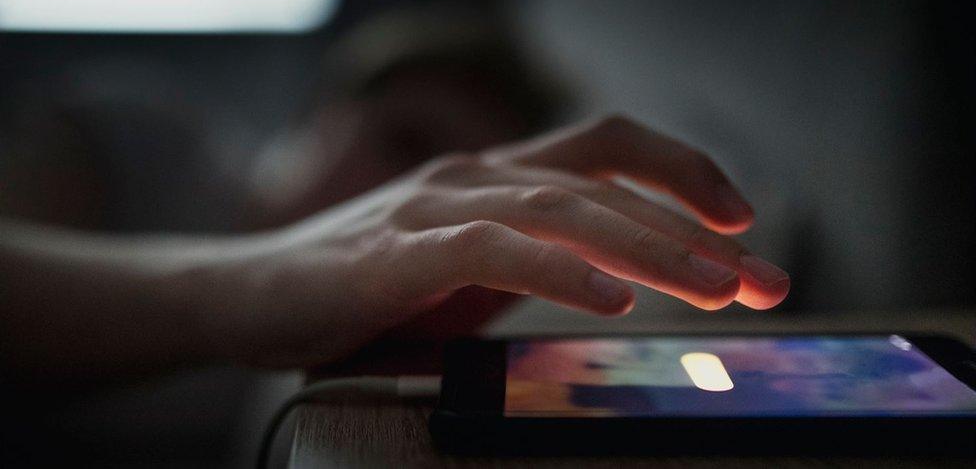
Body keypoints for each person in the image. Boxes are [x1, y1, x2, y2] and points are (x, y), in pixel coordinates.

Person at [0, 114, 790, 387]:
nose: (400, 189)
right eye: (402, 140)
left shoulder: (368, 309)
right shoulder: (143, 134)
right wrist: (246, 277)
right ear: (327, 110)